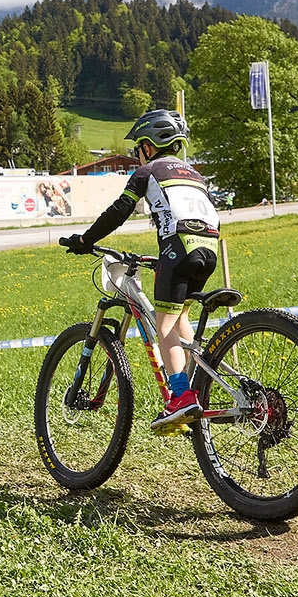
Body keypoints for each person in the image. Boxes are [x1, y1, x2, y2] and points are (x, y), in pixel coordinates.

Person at [61, 109, 222, 435]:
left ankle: (181, 396)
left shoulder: (149, 171)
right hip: (209, 248)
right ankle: (197, 385)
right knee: (181, 320)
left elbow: (121, 209)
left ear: (148, 145)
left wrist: (85, 239)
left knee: (163, 326)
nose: (137, 154)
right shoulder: (193, 174)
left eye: (138, 147)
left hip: (179, 248)